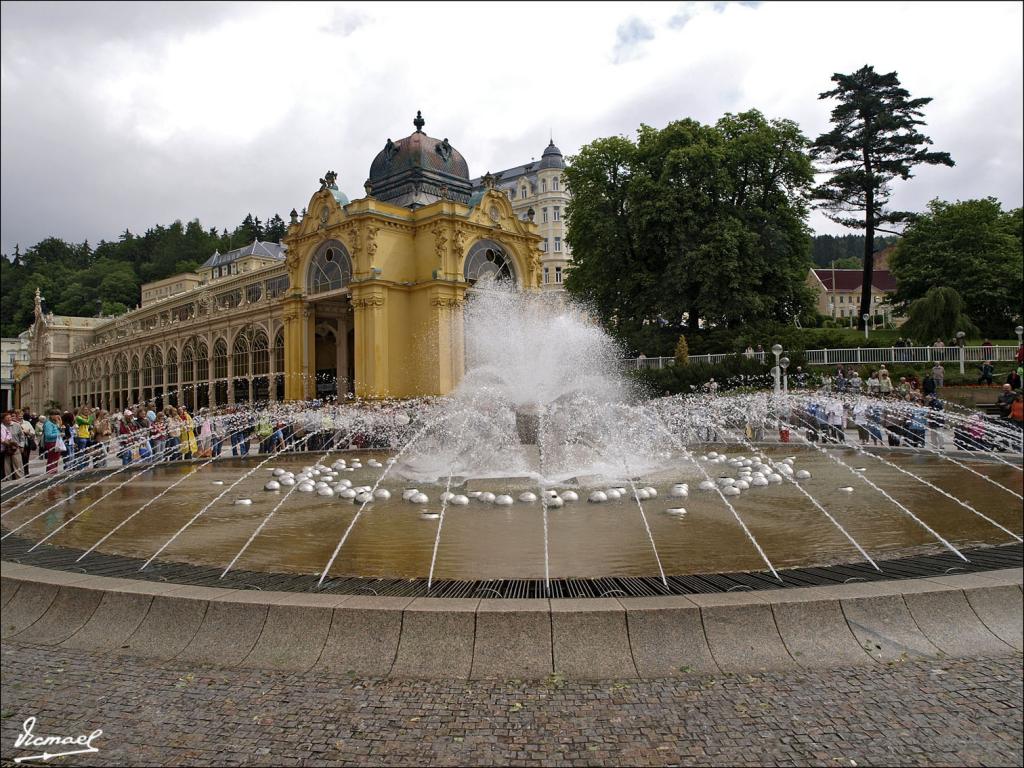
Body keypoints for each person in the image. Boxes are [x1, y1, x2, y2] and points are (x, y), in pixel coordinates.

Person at [2, 411, 25, 480]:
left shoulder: (16, 425)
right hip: (6, 448)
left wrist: (21, 446)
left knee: (18, 465)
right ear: (3, 420)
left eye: (10, 418)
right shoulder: (2, 427)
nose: (9, 419)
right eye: (7, 418)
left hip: (15, 447)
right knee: (7, 466)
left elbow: (22, 437)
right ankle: (8, 480)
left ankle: (20, 479)